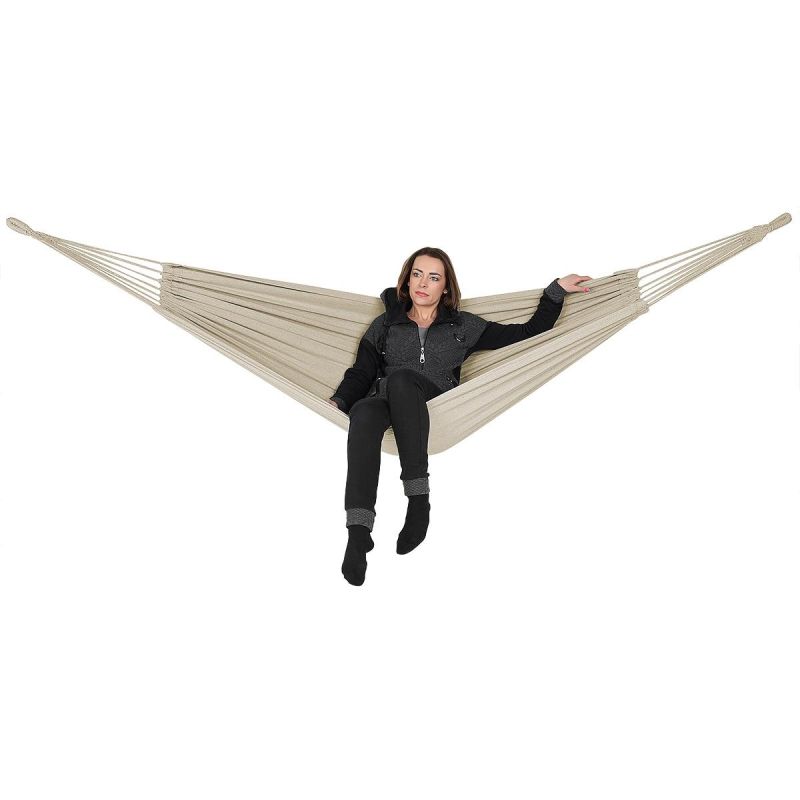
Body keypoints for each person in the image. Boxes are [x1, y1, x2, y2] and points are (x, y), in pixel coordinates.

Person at [328, 246, 592, 585]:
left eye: (433, 277)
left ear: (445, 287)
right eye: (417, 274)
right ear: (406, 281)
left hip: (436, 401)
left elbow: (528, 332)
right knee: (364, 411)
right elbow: (362, 372)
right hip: (387, 399)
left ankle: (418, 502)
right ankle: (358, 533)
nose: (423, 283)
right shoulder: (385, 325)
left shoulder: (463, 326)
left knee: (402, 379)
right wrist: (339, 401)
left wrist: (555, 292)